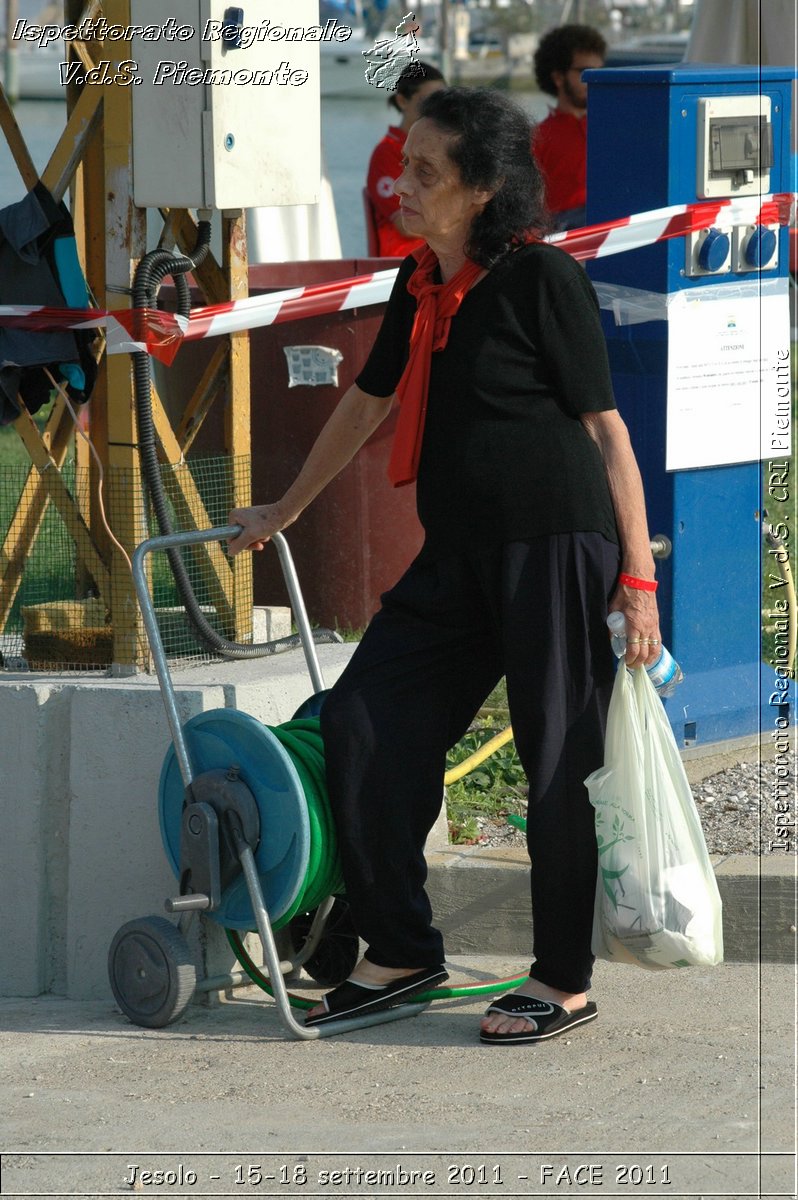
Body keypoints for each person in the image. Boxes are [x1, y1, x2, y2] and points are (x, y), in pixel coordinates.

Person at [228, 87, 661, 1045]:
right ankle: (401, 951)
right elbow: (364, 403)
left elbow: (608, 431)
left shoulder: (542, 279)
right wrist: (283, 512)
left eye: (427, 171)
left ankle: (561, 982)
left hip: (556, 548)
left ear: (484, 188)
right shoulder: (416, 284)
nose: (403, 183)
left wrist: (638, 582)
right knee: (363, 719)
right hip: (456, 557)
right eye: (406, 164)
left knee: (557, 764)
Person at [365, 61, 445, 257]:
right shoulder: (387, 153)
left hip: (438, 256)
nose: (437, 109)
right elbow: (407, 226)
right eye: (428, 101)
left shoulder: (444, 150)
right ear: (402, 101)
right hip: (404, 264)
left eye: (443, 101)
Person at [532, 24, 607, 232]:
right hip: (566, 235)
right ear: (558, 77)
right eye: (585, 72)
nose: (594, 79)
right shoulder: (537, 139)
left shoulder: (614, 131)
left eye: (599, 71)